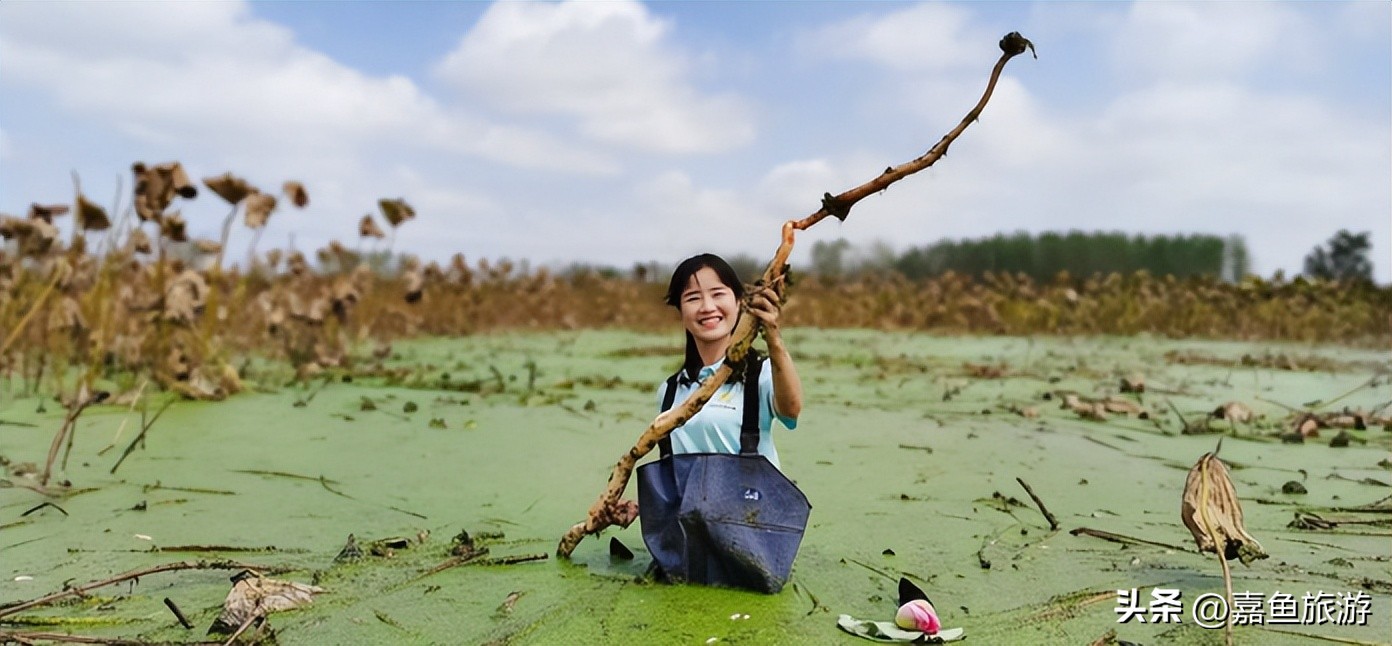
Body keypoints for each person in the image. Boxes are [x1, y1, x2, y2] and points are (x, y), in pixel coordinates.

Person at [658, 253, 803, 467]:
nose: (707, 307)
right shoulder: (670, 390)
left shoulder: (760, 374)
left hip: (752, 490)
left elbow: (791, 410)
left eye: (717, 294)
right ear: (681, 311)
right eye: (693, 298)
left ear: (738, 302)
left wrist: (773, 338)